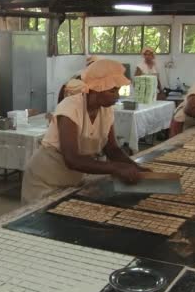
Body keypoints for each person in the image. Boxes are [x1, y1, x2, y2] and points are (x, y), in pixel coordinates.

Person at [22, 59, 147, 204]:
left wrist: (136, 168)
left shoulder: (107, 111)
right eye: (112, 91)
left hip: (71, 180)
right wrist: (115, 168)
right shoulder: (70, 107)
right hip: (45, 180)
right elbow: (72, 159)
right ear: (95, 89)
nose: (117, 96)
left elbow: (112, 149)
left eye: (118, 90)